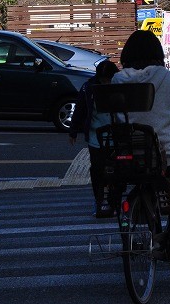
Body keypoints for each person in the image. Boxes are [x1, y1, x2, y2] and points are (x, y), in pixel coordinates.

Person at [113, 29, 170, 276]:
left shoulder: (118, 81)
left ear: (127, 55)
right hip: (165, 159)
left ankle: (134, 232)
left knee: (134, 187)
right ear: (158, 54)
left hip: (127, 157)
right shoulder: (169, 79)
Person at [69, 58, 120, 218]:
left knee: (117, 171)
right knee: (97, 170)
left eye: (108, 80)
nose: (106, 83)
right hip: (95, 136)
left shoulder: (120, 86)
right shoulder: (89, 88)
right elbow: (80, 109)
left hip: (117, 136)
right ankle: (99, 200)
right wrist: (73, 131)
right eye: (103, 80)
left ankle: (113, 200)